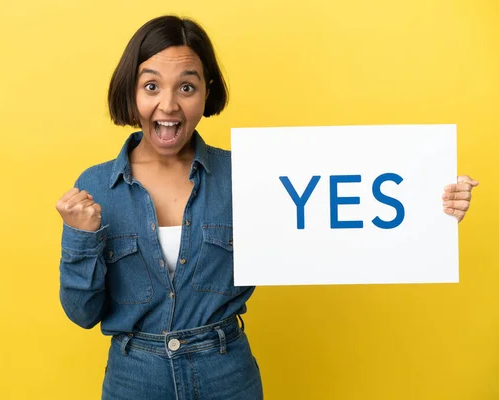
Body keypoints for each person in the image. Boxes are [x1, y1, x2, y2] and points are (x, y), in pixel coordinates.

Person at [55, 15, 479, 400]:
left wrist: (431, 202)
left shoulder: (251, 174)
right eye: (151, 86)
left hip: (225, 372)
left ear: (207, 93)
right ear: (130, 91)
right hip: (134, 378)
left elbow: (341, 221)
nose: (168, 105)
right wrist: (80, 237)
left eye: (187, 86)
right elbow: (82, 314)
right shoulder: (96, 187)